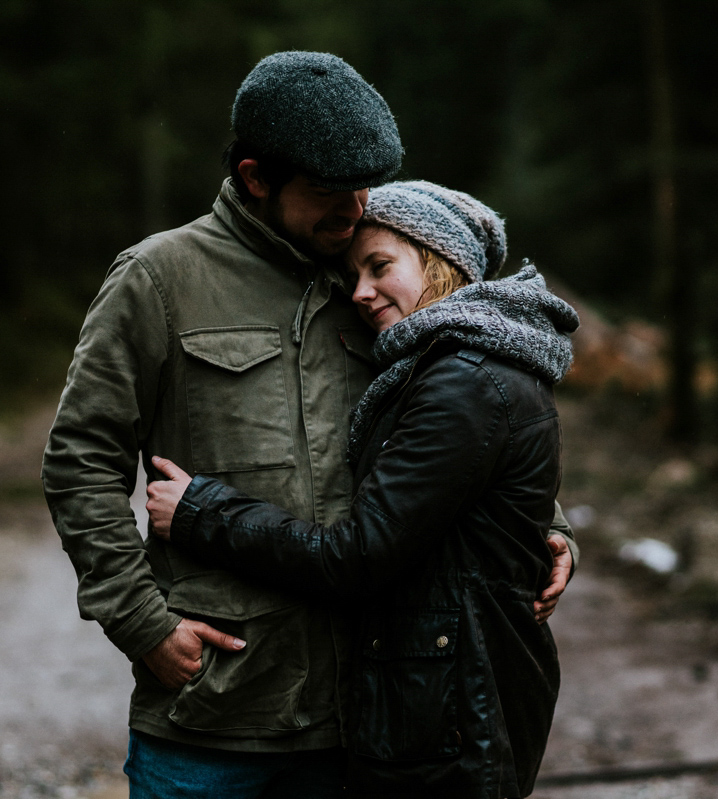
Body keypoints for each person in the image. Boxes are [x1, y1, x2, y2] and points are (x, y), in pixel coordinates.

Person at [40, 52, 578, 798]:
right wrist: (143, 624)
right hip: (214, 712)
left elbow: (469, 411)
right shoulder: (160, 278)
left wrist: (546, 527)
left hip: (369, 718)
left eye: (363, 187)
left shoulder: (379, 277)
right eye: (329, 192)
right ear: (257, 177)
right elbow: (79, 460)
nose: (355, 209)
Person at [144, 181, 580, 798]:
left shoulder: (461, 381)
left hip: (451, 714)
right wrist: (551, 531)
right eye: (353, 273)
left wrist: (201, 511)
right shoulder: (445, 361)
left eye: (380, 267)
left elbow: (358, 555)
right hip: (446, 704)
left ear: (443, 261)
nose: (361, 292)